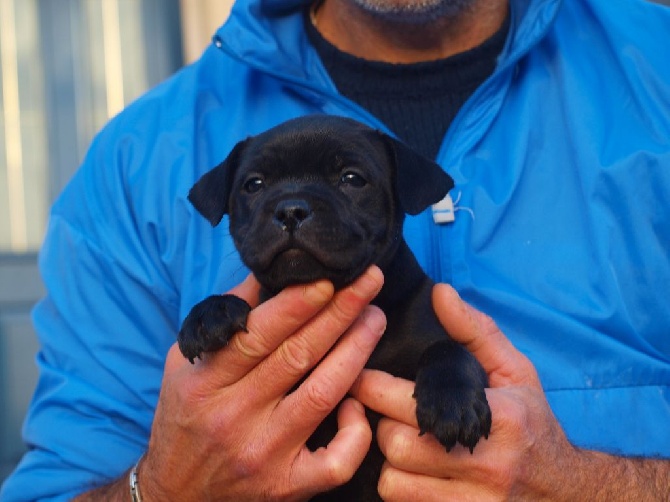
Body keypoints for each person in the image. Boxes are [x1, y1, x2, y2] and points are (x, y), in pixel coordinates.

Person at [2, 0, 669, 499]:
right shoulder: (139, 161)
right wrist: (161, 488)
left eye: (350, 181)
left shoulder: (652, 73)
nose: (292, 209)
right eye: (261, 188)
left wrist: (594, 485)